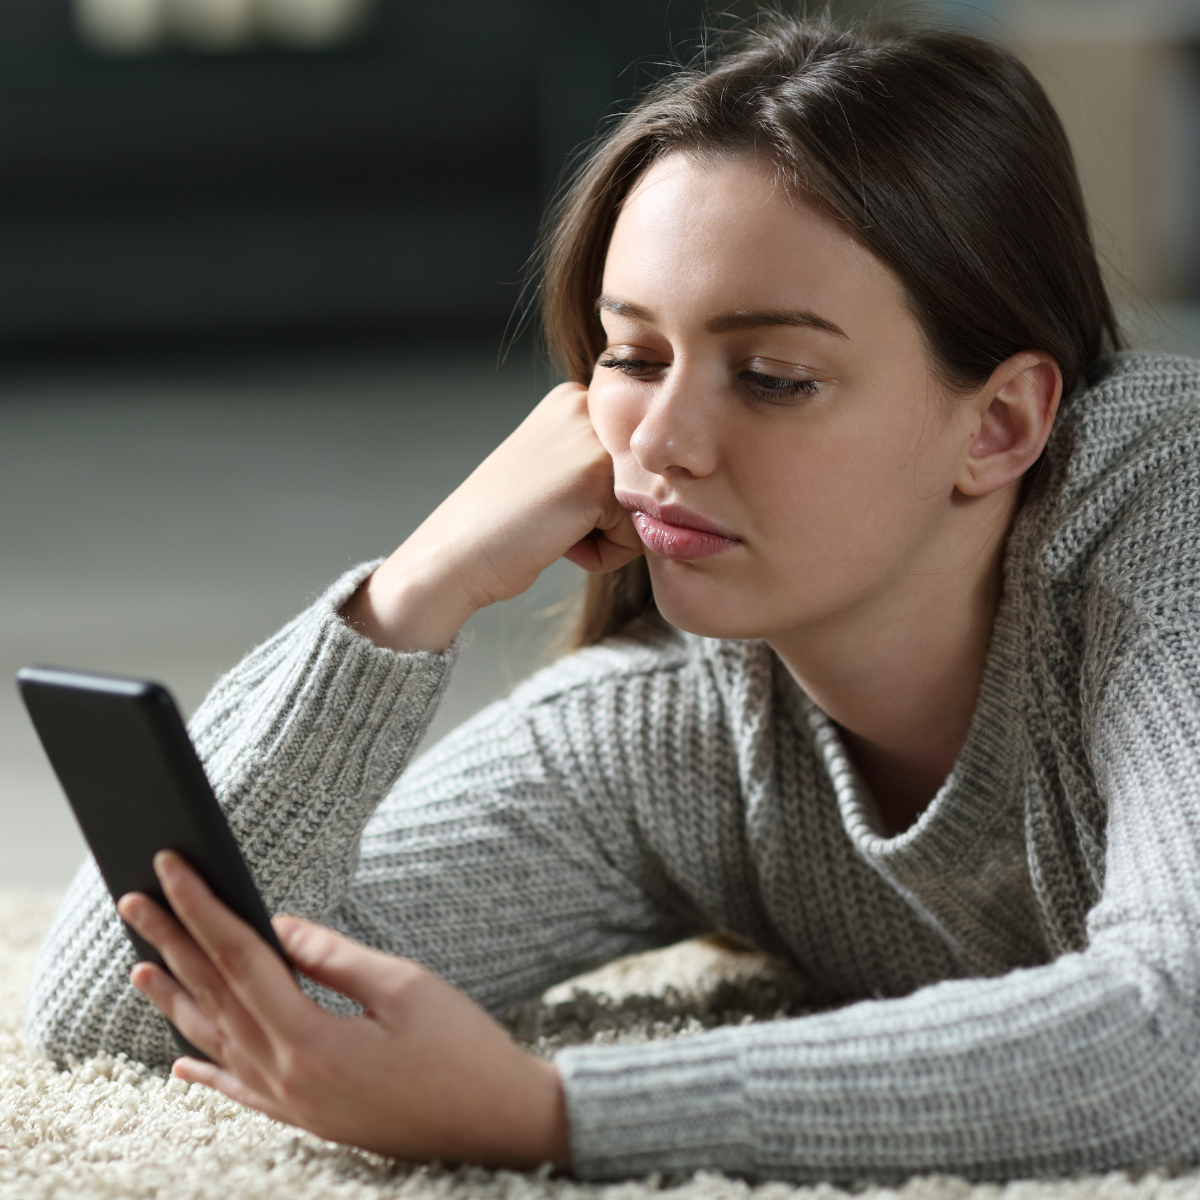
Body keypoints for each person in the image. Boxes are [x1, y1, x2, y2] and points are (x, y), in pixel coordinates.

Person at [25, 10, 1200, 1185]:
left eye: (774, 377)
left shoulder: (1169, 538)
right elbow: (135, 1016)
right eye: (632, 358)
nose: (666, 443)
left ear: (999, 424)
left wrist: (546, 1112)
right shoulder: (673, 736)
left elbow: (1175, 1037)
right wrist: (408, 595)